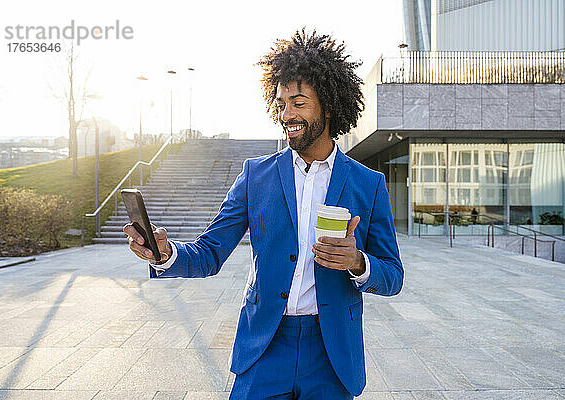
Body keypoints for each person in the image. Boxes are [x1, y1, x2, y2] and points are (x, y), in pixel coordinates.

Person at [124, 29, 404, 399]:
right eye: (282, 103)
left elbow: (393, 275)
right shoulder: (257, 175)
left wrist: (358, 263)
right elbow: (210, 251)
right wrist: (165, 253)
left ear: (329, 106)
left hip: (332, 354)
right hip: (264, 346)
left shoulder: (367, 184)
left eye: (299, 103)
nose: (287, 114)